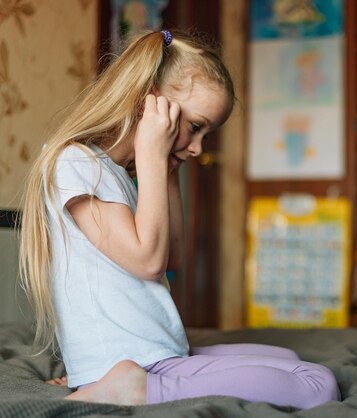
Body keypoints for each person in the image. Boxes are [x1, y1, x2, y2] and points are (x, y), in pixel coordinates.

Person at [19, 30, 340, 409]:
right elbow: (148, 261)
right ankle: (134, 389)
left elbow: (171, 258)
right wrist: (153, 156)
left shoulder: (118, 172)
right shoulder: (76, 163)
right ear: (148, 105)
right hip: (141, 363)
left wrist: (167, 172)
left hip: (154, 352)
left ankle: (115, 377)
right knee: (317, 384)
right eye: (194, 127)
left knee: (289, 362)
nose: (198, 147)